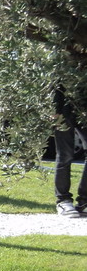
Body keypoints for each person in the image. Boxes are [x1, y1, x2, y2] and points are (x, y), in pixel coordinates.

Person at [53, 87, 87, 217]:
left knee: (65, 155)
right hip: (63, 109)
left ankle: (84, 202)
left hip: (83, 107)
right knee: (65, 154)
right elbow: (56, 78)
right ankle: (63, 201)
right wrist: (55, 109)